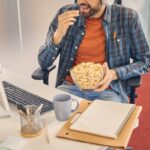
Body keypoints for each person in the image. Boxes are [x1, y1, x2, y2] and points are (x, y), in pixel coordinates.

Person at [38, 0, 150, 103]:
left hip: (109, 90)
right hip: (69, 88)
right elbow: (43, 62)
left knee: (106, 124)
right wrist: (57, 36)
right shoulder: (65, 13)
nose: (81, 2)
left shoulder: (127, 17)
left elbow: (145, 61)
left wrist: (114, 74)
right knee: (54, 121)